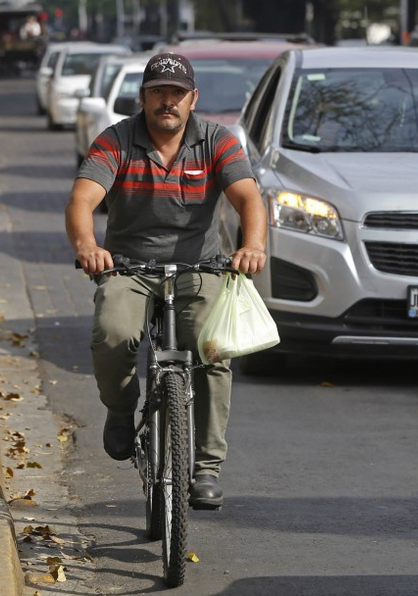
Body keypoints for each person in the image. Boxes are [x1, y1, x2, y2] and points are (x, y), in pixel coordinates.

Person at [65, 52, 267, 509]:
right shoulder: (115, 141)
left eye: (177, 93)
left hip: (201, 268)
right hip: (128, 267)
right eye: (158, 92)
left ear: (193, 98)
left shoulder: (218, 141)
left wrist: (252, 246)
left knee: (213, 350)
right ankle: (120, 412)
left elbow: (249, 199)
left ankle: (207, 466)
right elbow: (82, 199)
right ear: (144, 97)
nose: (168, 102)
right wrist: (87, 247)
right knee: (112, 333)